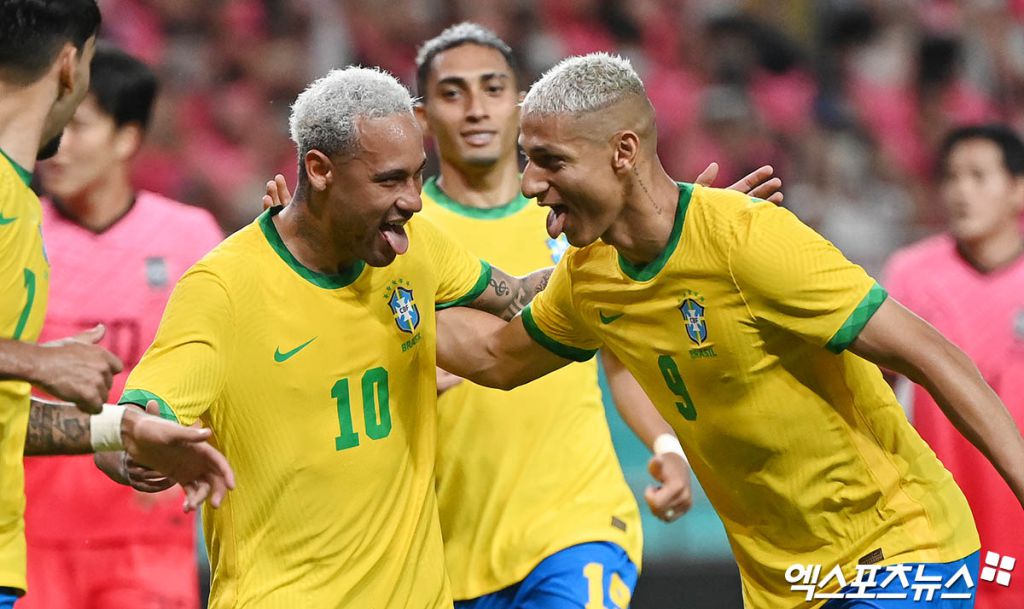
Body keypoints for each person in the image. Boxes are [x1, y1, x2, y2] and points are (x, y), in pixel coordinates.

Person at [435, 53, 1024, 609]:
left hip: (895, 552)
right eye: (528, 159)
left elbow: (933, 355)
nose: (530, 183)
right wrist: (392, 308)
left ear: (623, 151)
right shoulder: (590, 279)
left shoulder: (748, 240)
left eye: (551, 161)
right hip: (784, 586)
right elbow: (496, 359)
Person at [117, 66, 556, 609]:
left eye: (418, 176)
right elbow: (136, 422)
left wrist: (619, 259)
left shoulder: (412, 246)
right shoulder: (224, 288)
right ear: (320, 170)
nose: (414, 200)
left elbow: (519, 297)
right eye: (389, 180)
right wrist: (142, 449)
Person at [0, 2, 235, 606]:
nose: (63, 148)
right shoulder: (20, 215)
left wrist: (123, 431)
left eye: (85, 126)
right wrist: (34, 360)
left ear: (127, 137)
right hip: (34, 535)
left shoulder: (188, 237)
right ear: (67, 67)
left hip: (143, 536)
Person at [883, 124, 1024, 609]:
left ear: (1018, 189)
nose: (961, 191)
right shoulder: (910, 274)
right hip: (940, 536)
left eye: (979, 176)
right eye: (952, 177)